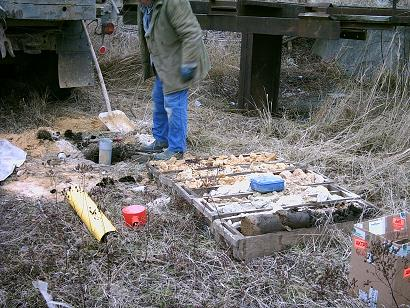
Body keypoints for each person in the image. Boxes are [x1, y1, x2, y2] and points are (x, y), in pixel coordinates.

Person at [138, 0, 210, 160]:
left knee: (173, 103)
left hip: (181, 60)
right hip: (163, 62)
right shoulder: (145, 5)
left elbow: (192, 33)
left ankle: (176, 149)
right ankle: (162, 141)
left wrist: (189, 64)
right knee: (158, 99)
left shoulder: (174, 2)